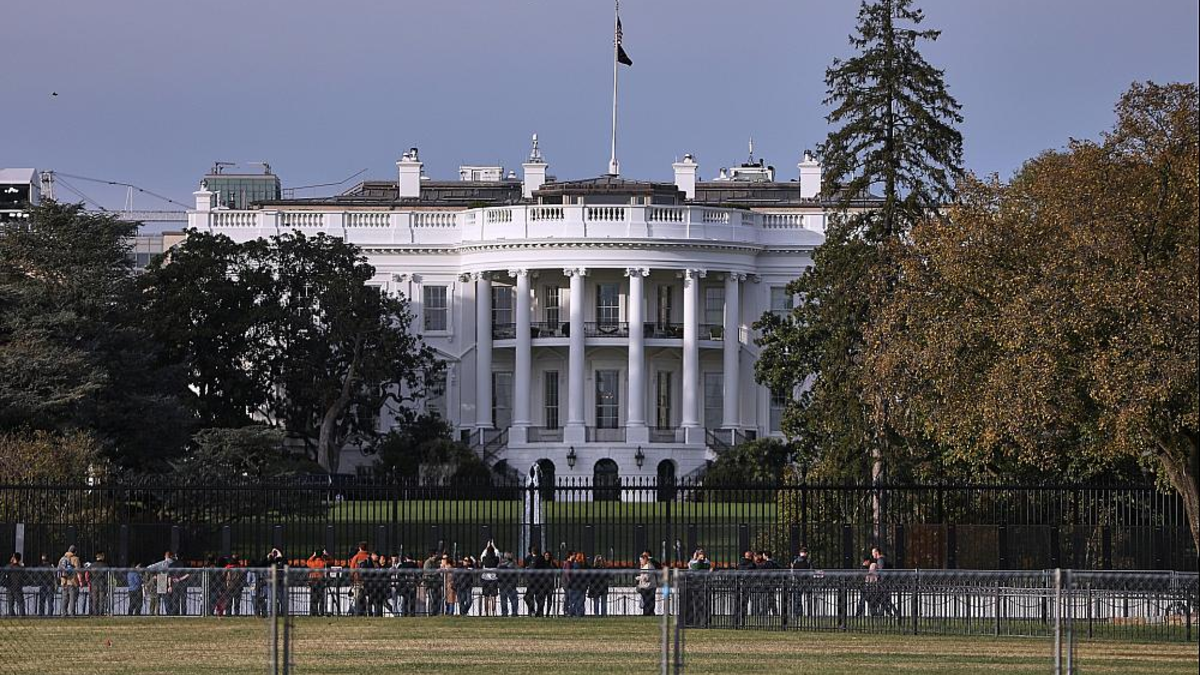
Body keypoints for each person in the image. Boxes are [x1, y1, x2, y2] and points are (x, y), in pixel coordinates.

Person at [685, 548, 713, 626]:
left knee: (703, 604)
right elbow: (695, 567)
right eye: (701, 556)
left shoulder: (706, 562)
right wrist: (697, 559)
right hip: (695, 585)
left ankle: (703, 621)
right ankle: (695, 621)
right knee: (695, 604)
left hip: (702, 585)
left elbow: (703, 566)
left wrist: (699, 559)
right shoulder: (693, 563)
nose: (702, 559)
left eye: (703, 557)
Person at [871, 546, 899, 618]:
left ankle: (893, 613)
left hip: (883, 583)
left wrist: (878, 580)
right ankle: (890, 613)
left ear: (877, 552)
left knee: (883, 599)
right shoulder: (885, 559)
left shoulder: (880, 560)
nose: (872, 554)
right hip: (887, 582)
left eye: (873, 553)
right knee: (885, 600)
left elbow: (881, 572)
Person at [522, 546, 549, 617]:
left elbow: (530, 568)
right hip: (540, 581)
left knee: (528, 597)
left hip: (533, 581)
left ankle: (533, 610)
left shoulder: (534, 559)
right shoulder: (541, 558)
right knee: (539, 598)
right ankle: (538, 612)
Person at [57, 545, 81, 616]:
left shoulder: (62, 559)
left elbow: (59, 570)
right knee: (72, 599)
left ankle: (63, 613)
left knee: (64, 598)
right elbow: (78, 570)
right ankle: (72, 614)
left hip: (64, 581)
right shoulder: (76, 559)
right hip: (72, 581)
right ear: (75, 552)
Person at [789, 546, 813, 619]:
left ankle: (797, 613)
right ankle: (809, 613)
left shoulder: (796, 560)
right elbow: (811, 571)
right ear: (806, 553)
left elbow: (792, 571)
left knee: (797, 598)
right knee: (808, 599)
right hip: (806, 581)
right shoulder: (808, 561)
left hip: (797, 580)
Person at [479, 542, 500, 616]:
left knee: (486, 597)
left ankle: (486, 612)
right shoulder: (496, 559)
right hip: (494, 579)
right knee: (494, 596)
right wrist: (494, 547)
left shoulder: (485, 559)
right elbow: (498, 554)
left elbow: (482, 556)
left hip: (486, 579)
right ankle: (494, 612)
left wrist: (486, 547)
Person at [636, 550, 660, 616]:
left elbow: (646, 577)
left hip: (649, 586)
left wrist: (638, 578)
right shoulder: (643, 566)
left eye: (641, 560)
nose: (640, 562)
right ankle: (647, 613)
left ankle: (649, 613)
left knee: (649, 601)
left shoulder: (649, 566)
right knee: (646, 601)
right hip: (645, 586)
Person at [395, 553, 419, 617]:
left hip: (405, 584)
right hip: (413, 584)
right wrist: (417, 582)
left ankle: (404, 613)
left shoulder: (403, 565)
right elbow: (419, 575)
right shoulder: (415, 565)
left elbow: (399, 575)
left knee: (405, 600)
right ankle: (412, 613)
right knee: (412, 600)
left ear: (406, 558)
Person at [306, 549, 329, 617]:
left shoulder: (312, 563)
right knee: (321, 597)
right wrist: (326, 555)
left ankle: (313, 612)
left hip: (313, 581)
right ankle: (321, 612)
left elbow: (307, 562)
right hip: (321, 581)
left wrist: (313, 555)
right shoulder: (323, 563)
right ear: (322, 555)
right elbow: (330, 561)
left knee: (313, 597)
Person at [497, 552, 519, 617]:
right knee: (514, 599)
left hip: (503, 584)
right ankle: (514, 612)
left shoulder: (500, 565)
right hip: (511, 584)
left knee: (503, 600)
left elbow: (497, 575)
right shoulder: (513, 564)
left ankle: (504, 613)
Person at [422, 550, 443, 616]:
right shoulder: (427, 562)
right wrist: (436, 571)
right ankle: (431, 613)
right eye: (435, 555)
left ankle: (436, 612)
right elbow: (427, 572)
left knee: (437, 599)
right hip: (430, 584)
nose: (436, 557)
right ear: (432, 555)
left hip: (436, 584)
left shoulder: (434, 562)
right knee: (432, 599)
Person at [89, 551, 110, 616]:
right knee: (101, 600)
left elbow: (89, 575)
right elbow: (107, 576)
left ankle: (95, 613)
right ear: (101, 557)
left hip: (94, 583)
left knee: (95, 599)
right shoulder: (105, 565)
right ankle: (101, 613)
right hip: (102, 584)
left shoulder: (92, 565)